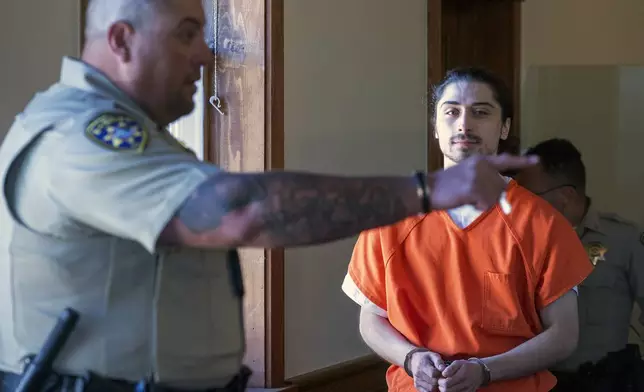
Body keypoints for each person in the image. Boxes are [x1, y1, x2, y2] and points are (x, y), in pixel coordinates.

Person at [0, 1, 540, 391]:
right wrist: (428, 190)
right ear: (120, 40)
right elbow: (239, 212)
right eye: (186, 34)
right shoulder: (82, 140)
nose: (205, 55)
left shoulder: (139, 138)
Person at [341, 67, 594, 392]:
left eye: (481, 112)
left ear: (504, 128)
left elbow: (563, 335)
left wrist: (485, 371)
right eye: (451, 112)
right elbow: (371, 319)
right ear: (435, 126)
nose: (464, 124)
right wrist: (412, 359)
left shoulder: (543, 224)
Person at [514, 138, 644, 392]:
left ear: (566, 196)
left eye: (529, 196)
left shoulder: (623, 239)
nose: (521, 206)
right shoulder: (518, 244)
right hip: (537, 382)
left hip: (604, 382)